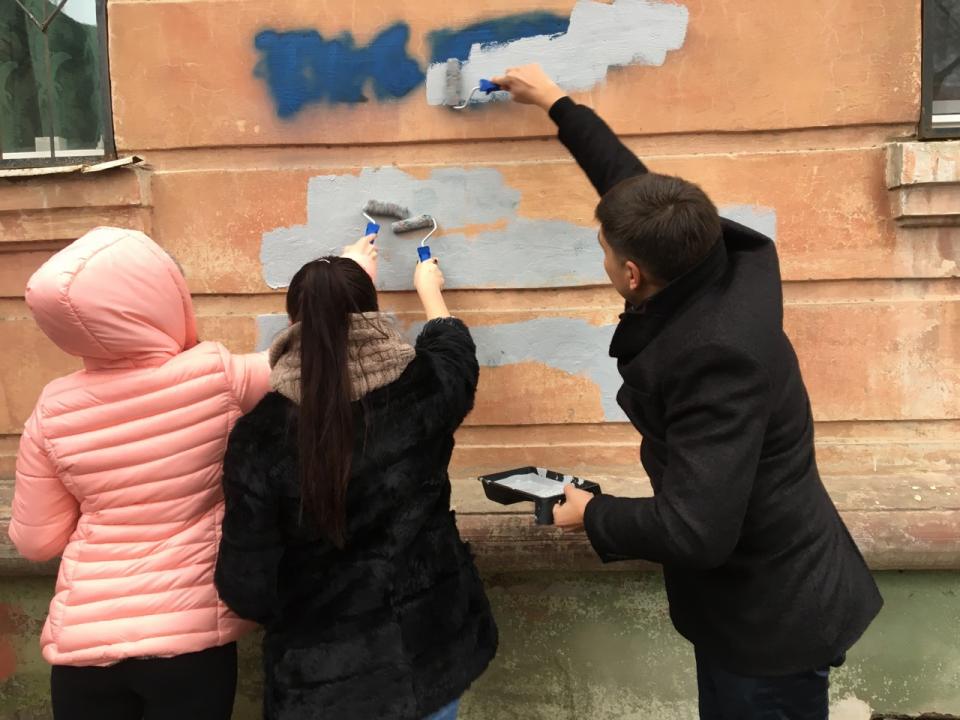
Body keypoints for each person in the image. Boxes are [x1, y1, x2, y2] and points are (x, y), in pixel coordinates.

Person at [492, 65, 883, 719]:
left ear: (632, 274)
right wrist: (556, 103)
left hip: (768, 619)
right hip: (749, 598)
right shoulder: (704, 254)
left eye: (604, 251)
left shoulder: (716, 361)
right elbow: (633, 190)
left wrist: (590, 512)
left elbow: (696, 531)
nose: (604, 257)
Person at [8, 226, 377, 720]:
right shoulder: (214, 376)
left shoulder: (52, 409)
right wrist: (354, 275)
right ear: (159, 297)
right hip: (189, 648)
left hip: (83, 651)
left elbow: (36, 542)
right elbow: (314, 361)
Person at [214, 250, 498, 720]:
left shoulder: (259, 437)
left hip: (324, 684)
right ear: (371, 310)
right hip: (432, 656)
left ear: (293, 321)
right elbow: (455, 354)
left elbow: (246, 587)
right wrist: (429, 291)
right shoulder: (426, 387)